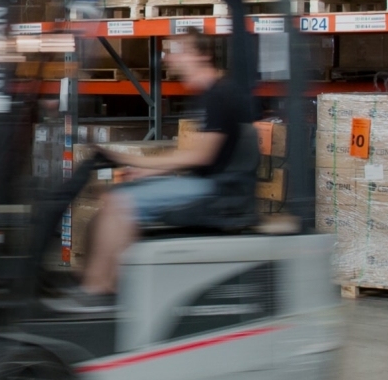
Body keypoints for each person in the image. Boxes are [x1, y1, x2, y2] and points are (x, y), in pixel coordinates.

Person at [54, 33, 255, 312]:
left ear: (201, 55)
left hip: (216, 189)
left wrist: (128, 158)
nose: (170, 58)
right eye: (169, 52)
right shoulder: (209, 94)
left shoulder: (219, 95)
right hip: (206, 180)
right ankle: (105, 282)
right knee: (113, 199)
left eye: (177, 51)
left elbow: (200, 155)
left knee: (120, 201)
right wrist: (145, 173)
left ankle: (98, 290)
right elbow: (199, 157)